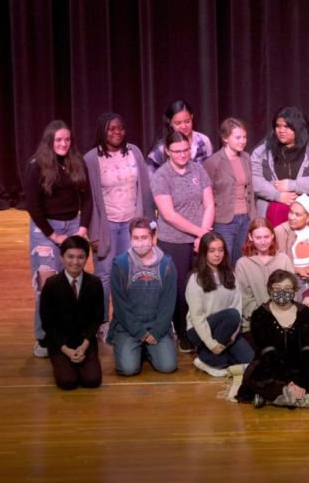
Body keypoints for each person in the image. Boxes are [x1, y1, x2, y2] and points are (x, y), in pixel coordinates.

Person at [25, 120, 92, 358]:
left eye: (67, 139)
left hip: (73, 224)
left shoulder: (77, 161)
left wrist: (82, 229)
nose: (63, 144)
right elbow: (32, 205)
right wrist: (53, 236)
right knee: (46, 284)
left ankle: (68, 331)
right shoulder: (36, 165)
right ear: (50, 142)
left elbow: (87, 198)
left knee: (73, 280)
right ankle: (43, 337)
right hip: (45, 228)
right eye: (58, 140)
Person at [84, 112, 155, 330]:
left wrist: (149, 224)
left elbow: (144, 191)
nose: (116, 132)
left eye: (120, 128)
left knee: (130, 272)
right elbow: (89, 199)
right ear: (102, 131)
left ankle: (126, 319)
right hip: (106, 226)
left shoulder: (134, 152)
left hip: (131, 225)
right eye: (111, 129)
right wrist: (93, 232)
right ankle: (103, 321)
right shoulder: (91, 158)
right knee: (104, 274)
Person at [151, 130, 215, 352]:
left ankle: (202, 330)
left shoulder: (198, 169)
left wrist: (203, 235)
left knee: (202, 285)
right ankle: (183, 333)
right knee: (179, 291)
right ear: (167, 151)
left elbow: (209, 204)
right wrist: (200, 233)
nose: (182, 155)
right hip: (174, 242)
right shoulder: (161, 176)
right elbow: (169, 215)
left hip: (200, 239)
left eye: (186, 150)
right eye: (176, 151)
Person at [240, 270, 309, 409]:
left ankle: (276, 398)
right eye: (277, 289)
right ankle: (304, 399)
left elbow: (308, 348)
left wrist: (298, 382)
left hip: (300, 362)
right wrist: (287, 382)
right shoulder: (260, 315)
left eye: (287, 289)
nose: (282, 292)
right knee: (255, 376)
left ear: (295, 290)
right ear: (269, 290)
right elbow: (267, 353)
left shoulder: (304, 312)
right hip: (270, 363)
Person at [108, 217, 177, 376]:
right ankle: (135, 347)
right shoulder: (120, 265)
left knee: (167, 366)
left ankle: (147, 350)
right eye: (136, 238)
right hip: (128, 327)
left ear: (153, 237)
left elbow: (168, 303)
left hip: (156, 326)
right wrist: (139, 332)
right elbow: (120, 306)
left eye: (144, 237)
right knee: (128, 369)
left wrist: (157, 331)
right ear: (130, 238)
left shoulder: (167, 265)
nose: (140, 242)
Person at [251, 106, 309, 228]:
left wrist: (293, 185)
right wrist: (277, 195)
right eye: (278, 126)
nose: (281, 130)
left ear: (298, 127)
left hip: (308, 216)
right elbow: (254, 179)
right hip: (273, 214)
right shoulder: (263, 150)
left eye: (286, 126)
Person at [185, 232, 254, 377]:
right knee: (231, 315)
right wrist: (211, 344)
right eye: (212, 250)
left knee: (251, 360)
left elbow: (237, 306)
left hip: (226, 331)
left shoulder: (231, 275)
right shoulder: (195, 279)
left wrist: (232, 338)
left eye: (221, 250)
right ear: (204, 253)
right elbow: (197, 317)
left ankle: (207, 359)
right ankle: (209, 358)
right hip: (199, 330)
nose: (217, 254)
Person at [39, 237, 103, 390]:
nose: (75, 261)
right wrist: (66, 350)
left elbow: (97, 317)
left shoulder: (95, 283)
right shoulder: (51, 284)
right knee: (67, 382)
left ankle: (81, 360)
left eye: (80, 257)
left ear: (87, 258)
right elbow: (48, 322)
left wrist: (85, 345)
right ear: (62, 258)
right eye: (70, 256)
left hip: (85, 342)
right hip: (61, 343)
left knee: (92, 381)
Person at [203, 118, 257, 265]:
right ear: (226, 138)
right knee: (223, 261)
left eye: (244, 137)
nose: (243, 141)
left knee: (240, 260)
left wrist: (252, 216)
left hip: (245, 218)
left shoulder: (246, 158)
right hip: (224, 221)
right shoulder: (213, 162)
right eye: (238, 137)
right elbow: (207, 195)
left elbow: (250, 190)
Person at [234, 218, 294, 334]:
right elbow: (245, 299)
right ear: (250, 237)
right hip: (255, 324)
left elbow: (292, 291)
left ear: (272, 236)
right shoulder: (242, 264)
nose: (263, 242)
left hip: (284, 322)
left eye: (266, 237)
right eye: (258, 238)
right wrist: (266, 316)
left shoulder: (283, 259)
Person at [274, 194, 309, 300]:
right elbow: (275, 263)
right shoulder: (280, 231)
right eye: (291, 212)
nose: (291, 217)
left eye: (298, 214)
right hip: (290, 280)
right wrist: (296, 269)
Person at [146, 100, 213, 176]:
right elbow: (150, 178)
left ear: (192, 117)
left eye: (187, 121)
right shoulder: (161, 148)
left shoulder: (203, 141)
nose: (184, 126)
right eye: (178, 123)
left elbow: (211, 173)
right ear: (170, 123)